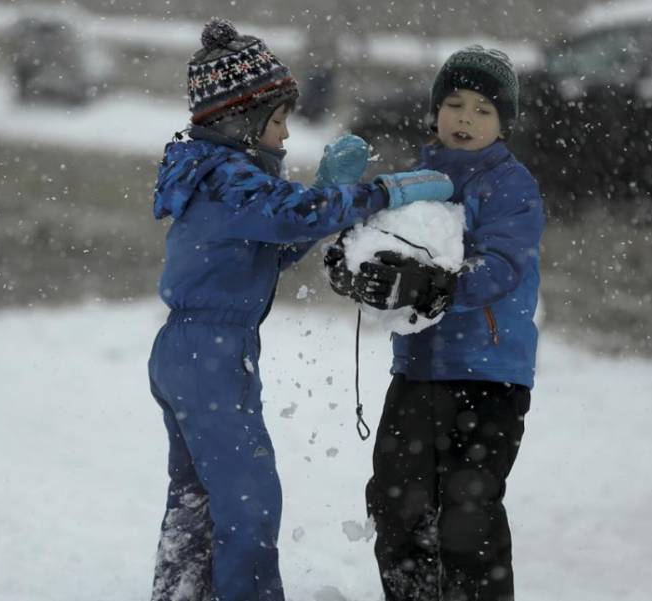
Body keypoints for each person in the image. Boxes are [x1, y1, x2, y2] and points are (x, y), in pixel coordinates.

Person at [146, 18, 453, 601]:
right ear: (241, 120)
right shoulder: (229, 179)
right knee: (249, 502)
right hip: (211, 355)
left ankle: (182, 591)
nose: (285, 134)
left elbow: (276, 247)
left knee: (197, 495)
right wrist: (383, 192)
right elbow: (295, 215)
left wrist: (325, 191)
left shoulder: (216, 177)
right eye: (278, 119)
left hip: (190, 352)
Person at [325, 45, 544, 601]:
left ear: (503, 125)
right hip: (418, 371)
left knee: (467, 515)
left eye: (483, 110)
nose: (466, 118)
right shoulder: (415, 182)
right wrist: (352, 264)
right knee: (397, 503)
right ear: (435, 111)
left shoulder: (510, 186)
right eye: (454, 104)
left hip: (489, 376)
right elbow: (379, 243)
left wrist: (435, 286)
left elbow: (503, 266)